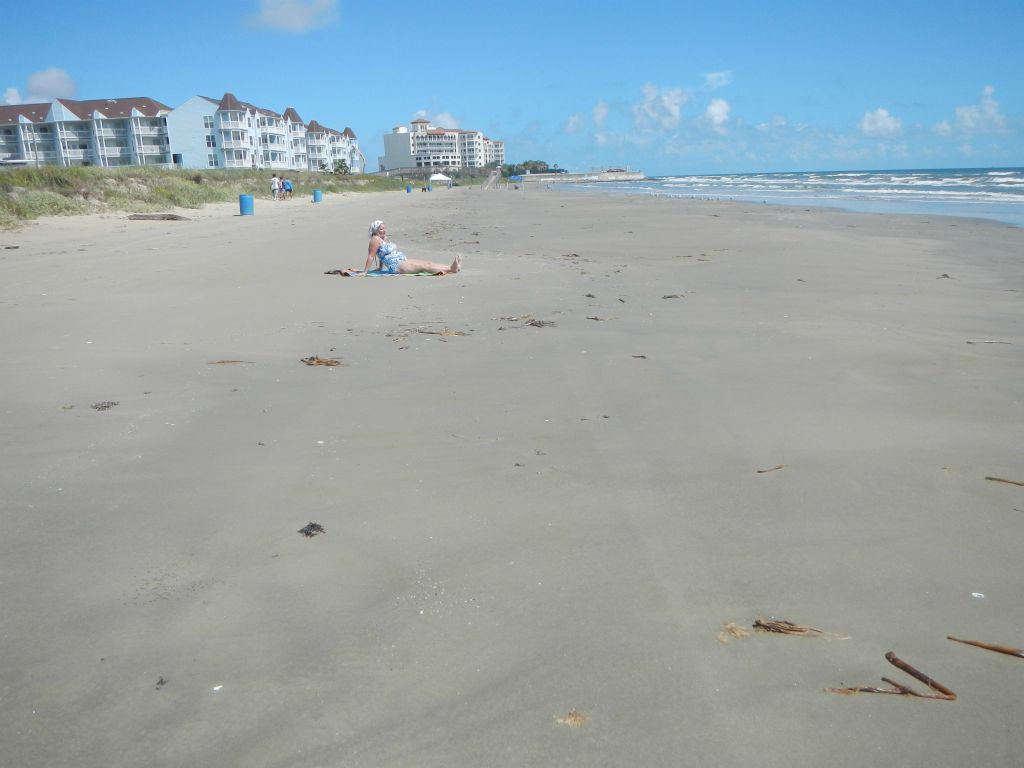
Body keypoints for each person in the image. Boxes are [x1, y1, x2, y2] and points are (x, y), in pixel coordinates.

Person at [364, 221, 461, 275]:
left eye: (385, 228)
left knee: (427, 263)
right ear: (375, 230)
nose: (384, 230)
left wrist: (380, 268)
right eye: (381, 229)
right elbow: (371, 256)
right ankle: (452, 268)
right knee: (424, 266)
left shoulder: (384, 238)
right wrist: (365, 272)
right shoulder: (375, 240)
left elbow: (381, 254)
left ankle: (451, 267)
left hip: (402, 260)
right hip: (397, 266)